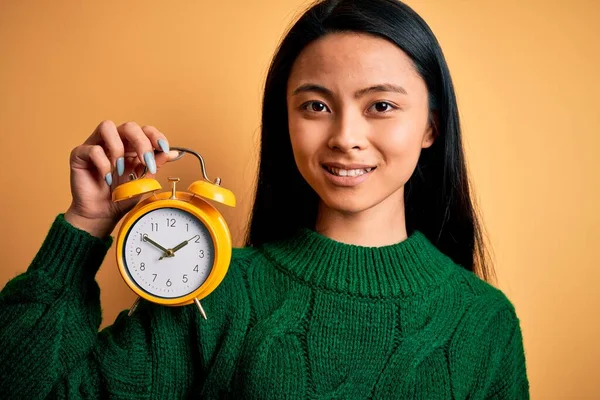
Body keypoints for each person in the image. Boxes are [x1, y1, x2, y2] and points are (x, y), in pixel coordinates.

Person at [0, 0, 530, 398]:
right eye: (316, 106)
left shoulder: (484, 322)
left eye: (382, 105)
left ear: (431, 127)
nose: (345, 135)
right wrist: (85, 225)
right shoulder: (214, 295)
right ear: (286, 122)